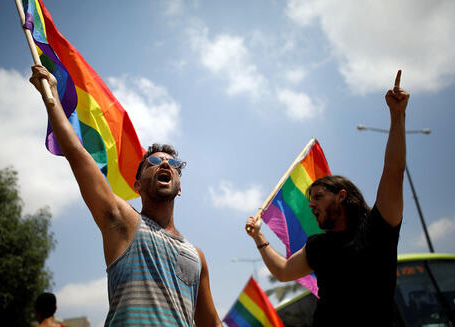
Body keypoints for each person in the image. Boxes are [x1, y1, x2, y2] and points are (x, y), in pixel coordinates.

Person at [29, 65, 222, 327]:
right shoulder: (123, 222)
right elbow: (78, 154)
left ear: (179, 188)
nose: (165, 165)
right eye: (153, 161)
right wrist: (51, 96)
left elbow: (211, 323)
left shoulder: (196, 256)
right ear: (137, 185)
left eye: (172, 164)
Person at [246, 70, 409, 326]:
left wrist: (397, 116)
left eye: (319, 196)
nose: (311, 204)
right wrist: (258, 236)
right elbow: (283, 271)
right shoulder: (317, 246)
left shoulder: (379, 228)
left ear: (342, 196)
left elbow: (393, 171)